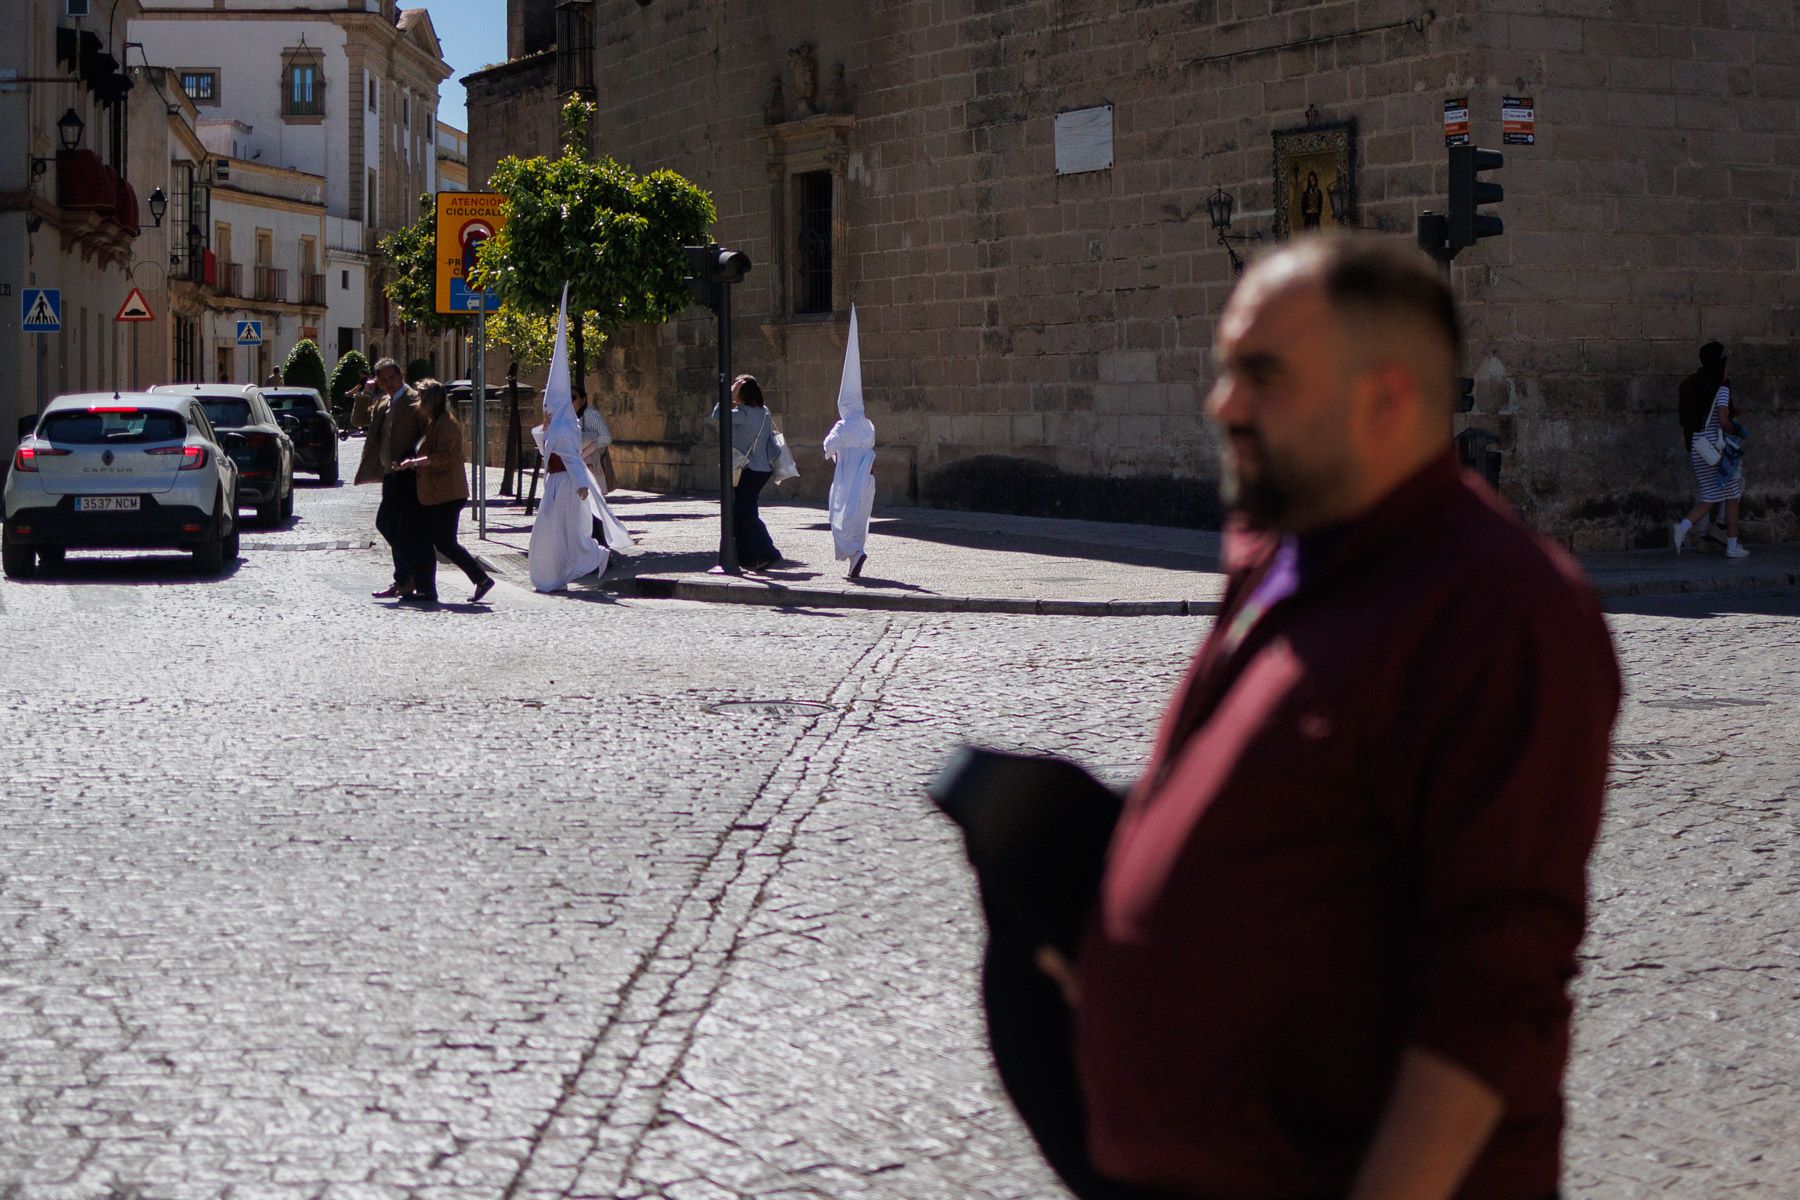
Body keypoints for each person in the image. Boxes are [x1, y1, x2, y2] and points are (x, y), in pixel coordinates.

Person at [1032, 240, 1621, 1200]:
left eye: (1261, 374)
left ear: (1385, 401)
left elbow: (1493, 992)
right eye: (1226, 371)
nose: (1222, 404)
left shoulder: (1502, 610)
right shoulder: (1281, 555)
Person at [529, 292, 628, 592]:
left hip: (567, 483)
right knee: (558, 532)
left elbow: (569, 454)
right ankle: (557, 574)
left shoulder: (567, 424)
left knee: (565, 531)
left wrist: (581, 483)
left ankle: (593, 557)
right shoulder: (557, 422)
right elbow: (545, 448)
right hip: (559, 482)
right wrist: (542, 430)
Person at [392, 380, 495, 605]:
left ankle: (481, 579)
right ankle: (427, 589)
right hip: (435, 494)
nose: (418, 402)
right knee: (427, 541)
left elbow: (445, 457)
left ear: (431, 401)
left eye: (421, 397)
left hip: (447, 494)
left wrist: (415, 463)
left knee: (445, 543)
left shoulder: (446, 424)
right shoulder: (435, 422)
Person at [353, 357, 425, 598]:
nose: (389, 383)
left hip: (408, 474)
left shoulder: (415, 400)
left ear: (401, 376)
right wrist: (365, 396)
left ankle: (408, 576)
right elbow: (360, 423)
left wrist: (415, 460)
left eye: (392, 378)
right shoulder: (384, 401)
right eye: (383, 380)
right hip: (389, 474)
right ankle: (404, 578)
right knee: (389, 525)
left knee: (391, 525)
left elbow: (426, 435)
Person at [1672, 341, 1749, 558]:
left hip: (1699, 446)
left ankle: (1685, 527)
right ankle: (1732, 546)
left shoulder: (1691, 385)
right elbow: (1724, 420)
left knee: (1709, 495)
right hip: (1718, 448)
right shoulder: (1722, 387)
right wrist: (1738, 430)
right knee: (1733, 496)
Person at [825, 304, 876, 579]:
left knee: (839, 517)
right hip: (866, 476)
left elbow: (828, 444)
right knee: (858, 519)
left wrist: (833, 452)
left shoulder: (843, 425)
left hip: (847, 476)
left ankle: (854, 554)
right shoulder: (868, 425)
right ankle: (855, 555)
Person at [711, 375, 783, 570]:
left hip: (748, 469)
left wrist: (728, 395)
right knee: (744, 511)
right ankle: (752, 556)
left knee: (743, 513)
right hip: (763, 469)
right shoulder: (764, 412)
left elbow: (717, 415)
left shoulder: (743, 414)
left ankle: (764, 554)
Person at [574, 386, 616, 544]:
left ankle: (600, 546)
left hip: (591, 466)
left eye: (574, 397)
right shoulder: (571, 416)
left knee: (593, 508)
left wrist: (582, 454)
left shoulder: (589, 414)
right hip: (581, 467)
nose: (570, 400)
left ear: (583, 399)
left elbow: (606, 438)